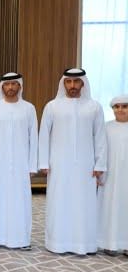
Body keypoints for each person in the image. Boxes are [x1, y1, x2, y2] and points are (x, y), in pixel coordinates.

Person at [39, 68, 106, 255]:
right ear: (63, 84)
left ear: (83, 83)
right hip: (58, 165)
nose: (72, 86)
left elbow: (100, 137)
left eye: (76, 82)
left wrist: (100, 164)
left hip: (86, 165)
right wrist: (43, 162)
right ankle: (57, 243)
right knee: (58, 202)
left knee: (84, 204)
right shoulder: (52, 106)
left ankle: (83, 244)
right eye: (68, 82)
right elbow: (44, 135)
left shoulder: (94, 107)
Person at [0, 72, 38, 250]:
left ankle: (21, 239)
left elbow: (33, 138)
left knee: (20, 200)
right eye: (7, 84)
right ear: (2, 87)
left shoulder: (28, 108)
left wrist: (32, 165)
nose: (11, 87)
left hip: (21, 164)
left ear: (19, 86)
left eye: (14, 84)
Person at [97, 94, 128, 256]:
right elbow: (100, 151)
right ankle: (109, 243)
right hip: (110, 176)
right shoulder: (106, 127)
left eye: (124, 106)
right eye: (117, 107)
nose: (120, 110)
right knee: (109, 207)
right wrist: (99, 173)